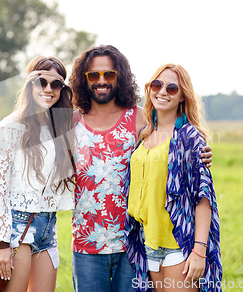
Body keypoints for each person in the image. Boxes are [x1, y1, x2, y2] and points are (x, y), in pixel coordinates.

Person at [69, 45, 214, 292]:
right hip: (88, 245)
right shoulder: (72, 122)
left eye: (109, 74)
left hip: (133, 244)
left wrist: (203, 152)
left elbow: (180, 150)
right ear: (83, 80)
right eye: (93, 75)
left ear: (120, 77)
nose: (101, 81)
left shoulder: (138, 119)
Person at [122, 64, 222, 292]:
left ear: (182, 96)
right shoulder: (144, 136)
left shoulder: (189, 137)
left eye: (172, 88)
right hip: (148, 244)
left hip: (180, 245)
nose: (162, 92)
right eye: (156, 85)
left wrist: (199, 251)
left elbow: (203, 197)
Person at [0, 56, 75, 292]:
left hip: (48, 228)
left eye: (55, 84)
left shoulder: (59, 127)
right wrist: (2, 244)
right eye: (41, 82)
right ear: (29, 84)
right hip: (17, 228)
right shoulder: (10, 126)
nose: (48, 89)